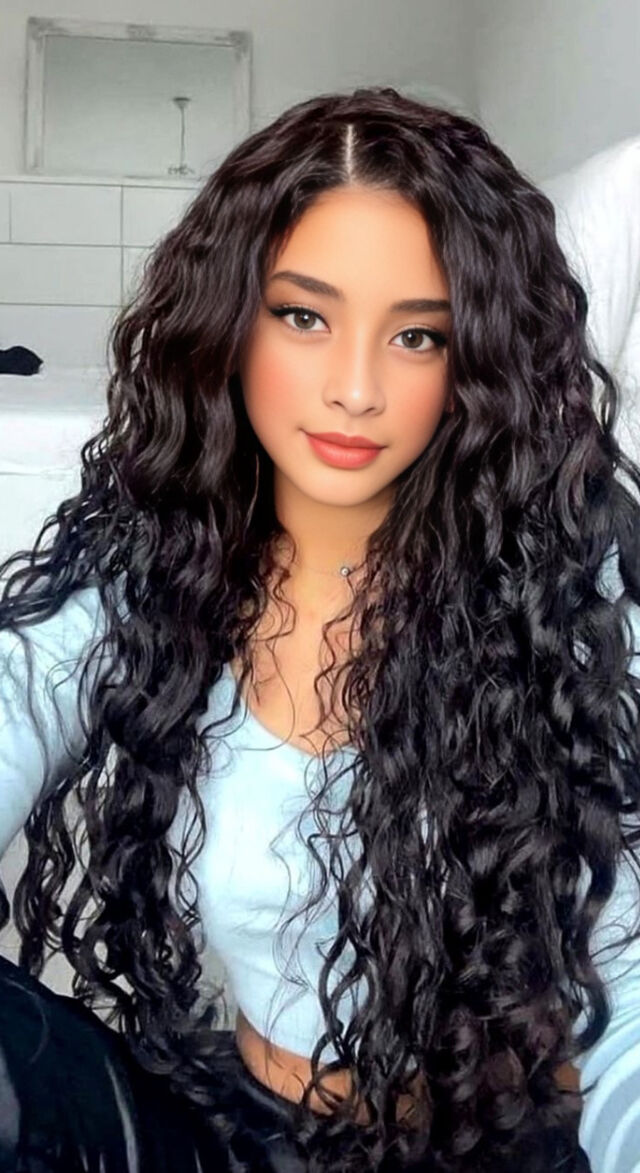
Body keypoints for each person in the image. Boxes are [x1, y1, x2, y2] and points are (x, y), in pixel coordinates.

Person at [0, 85, 638, 1173]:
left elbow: (629, 993)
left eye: (418, 336)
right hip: (236, 1129)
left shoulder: (572, 595)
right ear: (230, 323)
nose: (354, 389)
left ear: (477, 361)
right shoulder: (151, 571)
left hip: (495, 1144)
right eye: (304, 316)